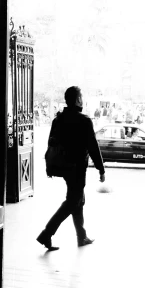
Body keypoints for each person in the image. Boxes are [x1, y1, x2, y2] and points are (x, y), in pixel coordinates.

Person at [37, 86, 106, 250]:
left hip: (63, 167)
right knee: (72, 202)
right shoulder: (84, 120)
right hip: (77, 168)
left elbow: (51, 144)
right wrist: (101, 169)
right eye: (81, 97)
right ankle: (46, 234)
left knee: (78, 200)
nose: (83, 99)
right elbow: (93, 147)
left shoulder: (58, 119)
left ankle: (81, 236)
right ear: (77, 100)